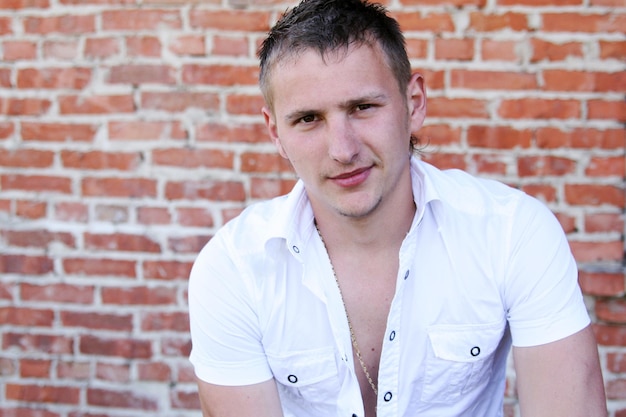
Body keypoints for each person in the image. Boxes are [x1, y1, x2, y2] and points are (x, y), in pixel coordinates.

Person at [188, 0, 607, 416]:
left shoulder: (512, 232)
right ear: (275, 132)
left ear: (414, 102)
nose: (343, 150)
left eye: (363, 108)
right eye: (308, 119)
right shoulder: (233, 269)